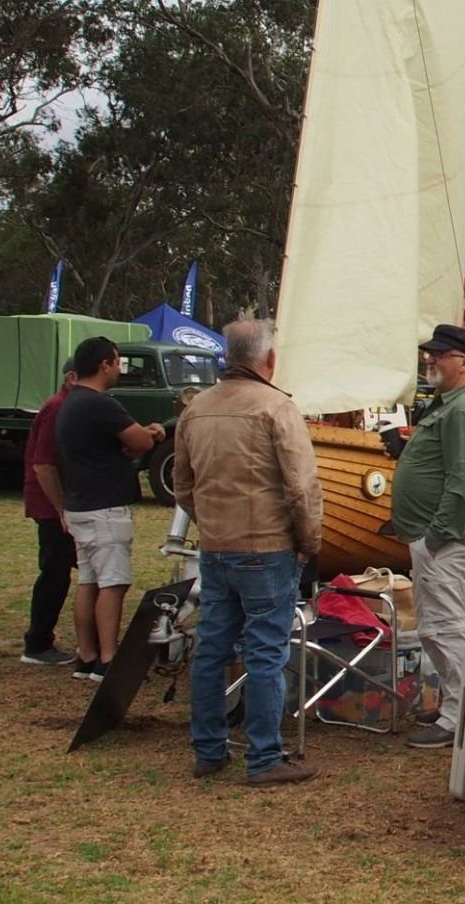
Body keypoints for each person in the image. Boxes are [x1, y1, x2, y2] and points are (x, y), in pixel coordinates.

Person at [174, 319, 323, 786]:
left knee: (211, 649)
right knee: (265, 653)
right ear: (270, 360)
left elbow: (182, 485)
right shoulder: (277, 408)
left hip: (217, 547)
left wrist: (212, 523)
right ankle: (263, 757)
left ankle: (209, 749)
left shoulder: (195, 409)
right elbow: (301, 488)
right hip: (267, 548)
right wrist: (308, 542)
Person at [393, 323, 465, 748]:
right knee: (440, 627)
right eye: (430, 354)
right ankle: (459, 704)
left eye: (438, 355)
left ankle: (461, 715)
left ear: (464, 363)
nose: (430, 360)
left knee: (447, 628)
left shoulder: (462, 410)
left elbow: (463, 481)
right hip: (437, 539)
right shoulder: (449, 405)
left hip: (444, 542)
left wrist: (435, 537)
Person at [56, 336, 162, 679]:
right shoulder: (101, 404)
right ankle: (108, 658)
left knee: (89, 581)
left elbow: (109, 446)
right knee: (113, 584)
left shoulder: (71, 402)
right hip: (105, 508)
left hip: (80, 505)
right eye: (118, 363)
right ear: (104, 365)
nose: (120, 369)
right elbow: (139, 441)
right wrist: (155, 435)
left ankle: (86, 654)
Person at [21, 357, 79, 668]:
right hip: (52, 503)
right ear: (71, 377)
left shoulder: (68, 406)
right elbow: (43, 464)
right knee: (55, 572)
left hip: (64, 501)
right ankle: (37, 642)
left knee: (70, 570)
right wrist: (61, 509)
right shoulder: (58, 407)